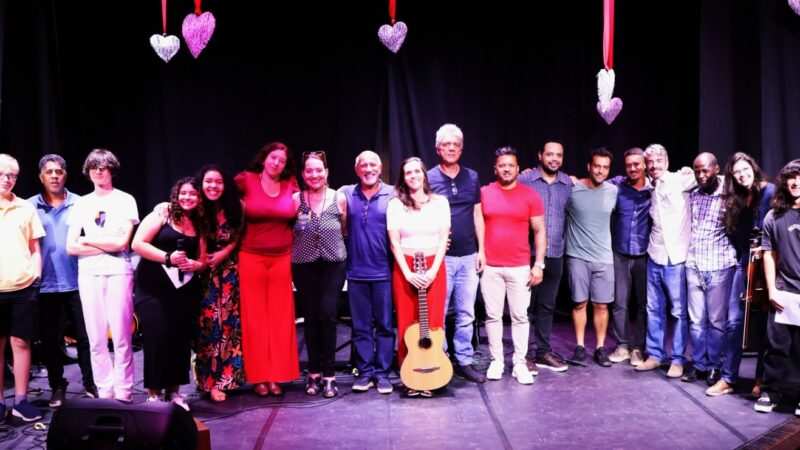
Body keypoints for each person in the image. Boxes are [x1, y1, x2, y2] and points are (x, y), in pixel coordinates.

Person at [66, 149, 139, 403]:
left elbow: (122, 244)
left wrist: (88, 240)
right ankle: (105, 391)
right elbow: (70, 247)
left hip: (118, 271)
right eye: (94, 166)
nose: (98, 170)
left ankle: (124, 392)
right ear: (88, 172)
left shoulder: (125, 200)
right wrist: (106, 242)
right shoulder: (81, 203)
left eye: (103, 166)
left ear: (112, 169)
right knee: (96, 339)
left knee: (121, 337)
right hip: (88, 272)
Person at [132, 177, 206, 411]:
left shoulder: (200, 223)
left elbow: (203, 259)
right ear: (176, 194)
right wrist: (167, 258)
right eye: (183, 193)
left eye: (193, 194)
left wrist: (196, 265)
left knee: (179, 340)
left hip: (183, 291)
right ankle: (153, 394)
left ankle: (174, 392)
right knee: (157, 338)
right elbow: (137, 244)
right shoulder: (162, 214)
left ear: (200, 198)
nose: (187, 197)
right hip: (152, 288)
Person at [29, 154, 97, 409]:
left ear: (66, 175)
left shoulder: (81, 203)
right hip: (45, 283)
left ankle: (91, 383)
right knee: (50, 340)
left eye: (59, 171)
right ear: (41, 177)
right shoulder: (29, 206)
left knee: (86, 337)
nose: (54, 176)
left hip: (81, 280)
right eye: (49, 172)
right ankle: (58, 385)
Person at [708, 153, 775, 397]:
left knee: (764, 325)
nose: (741, 175)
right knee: (734, 322)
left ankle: (761, 379)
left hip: (767, 264)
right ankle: (728, 378)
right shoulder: (736, 198)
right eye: (736, 172)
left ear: (753, 168)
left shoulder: (769, 192)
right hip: (744, 263)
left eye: (745, 169)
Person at [235, 142, 300, 396]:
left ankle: (277, 375)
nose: (276, 163)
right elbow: (219, 199)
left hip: (282, 257)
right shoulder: (246, 180)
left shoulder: (290, 184)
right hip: (251, 256)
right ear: (264, 158)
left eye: (282, 161)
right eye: (273, 157)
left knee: (281, 318)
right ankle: (259, 376)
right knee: (255, 319)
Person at [480, 147, 546, 385]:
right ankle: (496, 360)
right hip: (491, 267)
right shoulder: (484, 193)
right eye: (502, 165)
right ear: (495, 169)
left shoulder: (530, 196)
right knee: (493, 315)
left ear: (518, 169)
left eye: (510, 165)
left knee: (520, 316)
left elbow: (540, 231)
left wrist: (539, 265)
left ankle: (519, 363)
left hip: (519, 266)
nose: (506, 169)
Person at [426, 124, 486, 383]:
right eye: (446, 144)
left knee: (466, 313)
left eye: (456, 145)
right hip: (442, 258)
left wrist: (482, 250)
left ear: (461, 149)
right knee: (438, 313)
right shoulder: (428, 177)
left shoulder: (472, 177)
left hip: (469, 256)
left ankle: (463, 360)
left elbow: (478, 214)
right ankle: (439, 359)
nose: (451, 148)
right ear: (438, 148)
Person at [387, 157, 450, 397]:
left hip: (434, 266)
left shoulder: (440, 202)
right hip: (405, 267)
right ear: (403, 178)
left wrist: (432, 271)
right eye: (408, 173)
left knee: (432, 322)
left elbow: (443, 240)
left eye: (416, 171)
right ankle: (410, 376)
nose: (413, 176)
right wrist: (408, 273)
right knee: (406, 323)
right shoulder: (396, 204)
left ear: (424, 173)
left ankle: (431, 375)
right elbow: (394, 242)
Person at [635, 144, 695, 378]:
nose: (654, 165)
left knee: (678, 312)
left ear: (667, 163)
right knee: (654, 308)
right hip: (655, 254)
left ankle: (678, 359)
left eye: (658, 161)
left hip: (676, 257)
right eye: (649, 162)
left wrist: (690, 171)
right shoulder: (649, 186)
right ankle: (655, 355)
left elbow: (710, 177)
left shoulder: (681, 180)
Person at [339, 151, 396, 395]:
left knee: (385, 326)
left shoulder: (394, 193)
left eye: (373, 164)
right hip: (356, 273)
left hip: (384, 272)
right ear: (357, 169)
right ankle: (365, 373)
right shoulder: (345, 193)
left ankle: (382, 374)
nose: (368, 168)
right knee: (361, 327)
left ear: (380, 168)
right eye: (363, 165)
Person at [292, 151, 347, 398]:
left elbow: (345, 228)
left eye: (318, 170)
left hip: (333, 264)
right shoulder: (296, 199)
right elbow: (291, 231)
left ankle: (329, 375)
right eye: (309, 170)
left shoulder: (339, 198)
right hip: (303, 265)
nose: (314, 174)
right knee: (310, 317)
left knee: (327, 314)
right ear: (303, 174)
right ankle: (313, 372)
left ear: (326, 172)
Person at [681, 153, 737, 386]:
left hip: (720, 264)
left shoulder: (729, 191)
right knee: (696, 321)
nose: (701, 175)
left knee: (716, 321)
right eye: (697, 171)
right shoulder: (693, 193)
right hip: (694, 264)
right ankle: (699, 364)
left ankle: (714, 365)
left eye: (705, 170)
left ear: (716, 169)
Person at [193, 165, 246, 402]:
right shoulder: (196, 206)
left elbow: (238, 235)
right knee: (208, 327)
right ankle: (208, 382)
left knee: (228, 326)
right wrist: (205, 260)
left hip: (230, 273)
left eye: (218, 181)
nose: (213, 186)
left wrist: (225, 252)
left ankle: (226, 380)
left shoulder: (238, 207)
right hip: (203, 274)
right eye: (208, 181)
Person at [518, 142, 572, 373]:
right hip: (528, 254)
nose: (554, 159)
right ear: (540, 155)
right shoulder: (524, 180)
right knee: (524, 308)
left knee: (547, 306)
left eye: (558, 155)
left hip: (555, 253)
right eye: (550, 154)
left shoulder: (567, 183)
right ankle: (523, 355)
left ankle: (542, 352)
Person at [754, 159, 800, 417]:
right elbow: (768, 254)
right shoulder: (774, 216)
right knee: (776, 347)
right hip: (783, 291)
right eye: (791, 177)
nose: (796, 182)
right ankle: (770, 391)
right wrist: (771, 289)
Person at [0, 154, 44, 422]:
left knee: (21, 342)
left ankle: (21, 401)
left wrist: (36, 276)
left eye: (12, 175)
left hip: (23, 287)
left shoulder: (25, 208)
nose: (7, 179)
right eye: (2, 174)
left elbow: (35, 246)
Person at [565, 148, 618, 367]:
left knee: (602, 305)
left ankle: (600, 348)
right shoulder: (572, 188)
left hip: (604, 257)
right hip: (577, 255)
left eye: (605, 167)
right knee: (579, 303)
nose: (601, 171)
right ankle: (579, 347)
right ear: (589, 166)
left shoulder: (613, 191)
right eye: (597, 166)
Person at [607, 148, 652, 366]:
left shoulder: (654, 188)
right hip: (620, 253)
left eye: (636, 164)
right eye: (628, 165)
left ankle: (638, 348)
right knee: (620, 302)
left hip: (644, 254)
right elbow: (593, 182)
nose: (632, 168)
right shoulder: (617, 186)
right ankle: (623, 345)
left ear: (644, 165)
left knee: (643, 305)